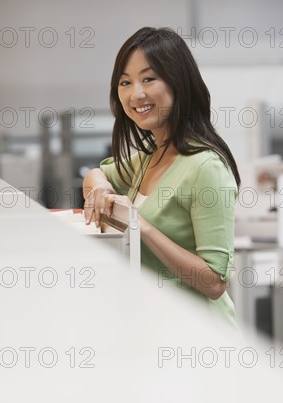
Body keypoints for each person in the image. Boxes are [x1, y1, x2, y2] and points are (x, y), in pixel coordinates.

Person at [83, 27, 241, 324]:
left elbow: (215, 282)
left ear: (179, 83)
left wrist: (141, 227)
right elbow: (95, 173)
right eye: (125, 82)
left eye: (149, 79)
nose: (136, 94)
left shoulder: (205, 167)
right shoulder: (150, 157)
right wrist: (100, 188)